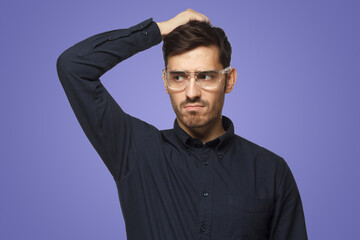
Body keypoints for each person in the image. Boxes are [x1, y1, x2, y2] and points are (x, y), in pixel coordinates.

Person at [57, 9, 307, 240]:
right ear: (165, 82)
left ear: (228, 80)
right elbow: (73, 66)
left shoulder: (271, 171)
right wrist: (159, 30)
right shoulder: (136, 152)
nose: (191, 92)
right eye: (178, 77)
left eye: (205, 76)